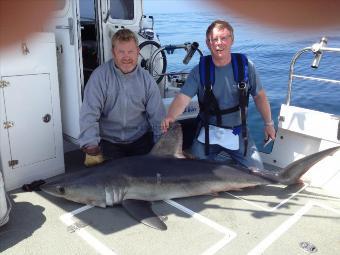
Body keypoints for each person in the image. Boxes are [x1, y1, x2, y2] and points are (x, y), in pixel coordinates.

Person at [161, 20, 276, 169]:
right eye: (214, 39)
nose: (218, 43)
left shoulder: (246, 67)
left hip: (237, 132)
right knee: (194, 170)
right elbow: (182, 98)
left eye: (224, 38)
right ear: (208, 43)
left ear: (232, 40)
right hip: (209, 132)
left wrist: (269, 124)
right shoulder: (199, 71)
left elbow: (259, 96)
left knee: (257, 171)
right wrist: (170, 117)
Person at [79, 28, 165, 167]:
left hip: (139, 140)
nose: (126, 57)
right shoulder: (99, 77)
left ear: (138, 52)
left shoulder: (147, 80)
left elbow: (158, 117)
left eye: (130, 51)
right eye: (121, 52)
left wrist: (163, 147)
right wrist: (91, 146)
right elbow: (89, 114)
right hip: (109, 142)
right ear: (113, 53)